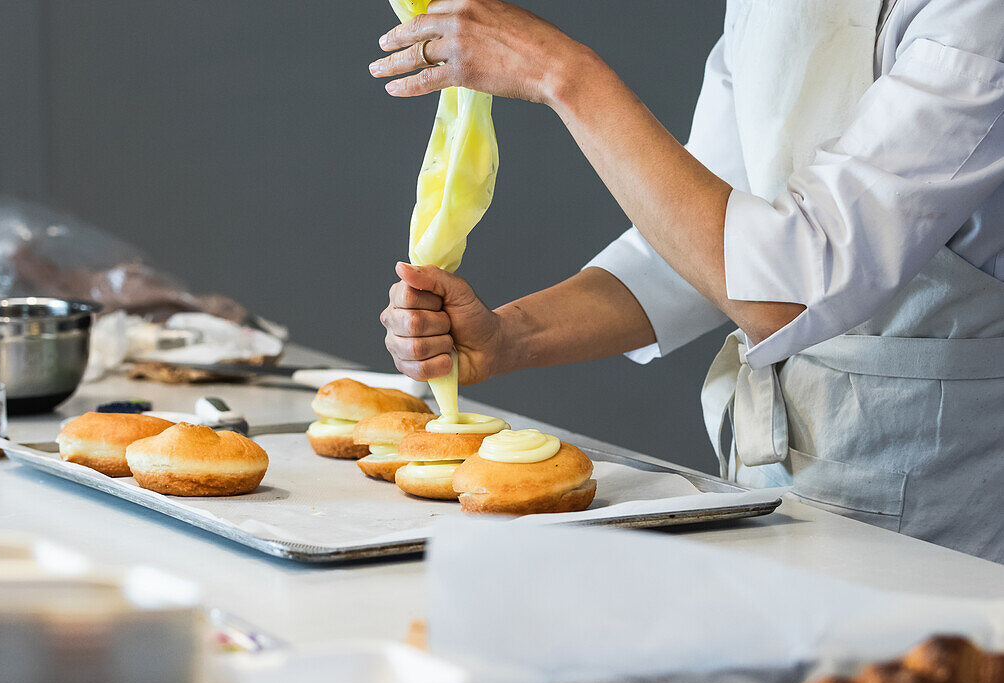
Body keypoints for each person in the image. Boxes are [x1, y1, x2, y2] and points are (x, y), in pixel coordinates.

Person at [371, 0, 1004, 562]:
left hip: (940, 492)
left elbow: (781, 292)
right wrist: (508, 337)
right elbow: (699, 244)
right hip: (776, 476)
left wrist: (560, 74)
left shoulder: (977, 17)